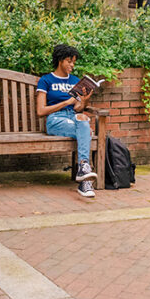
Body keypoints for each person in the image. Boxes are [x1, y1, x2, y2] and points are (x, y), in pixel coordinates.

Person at [36, 44, 98, 198]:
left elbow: (78, 108)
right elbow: (40, 111)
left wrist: (85, 101)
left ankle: (84, 175)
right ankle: (84, 174)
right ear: (60, 60)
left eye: (74, 62)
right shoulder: (46, 80)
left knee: (83, 120)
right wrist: (66, 102)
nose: (72, 65)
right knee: (85, 129)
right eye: (69, 61)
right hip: (55, 119)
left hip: (73, 118)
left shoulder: (75, 81)